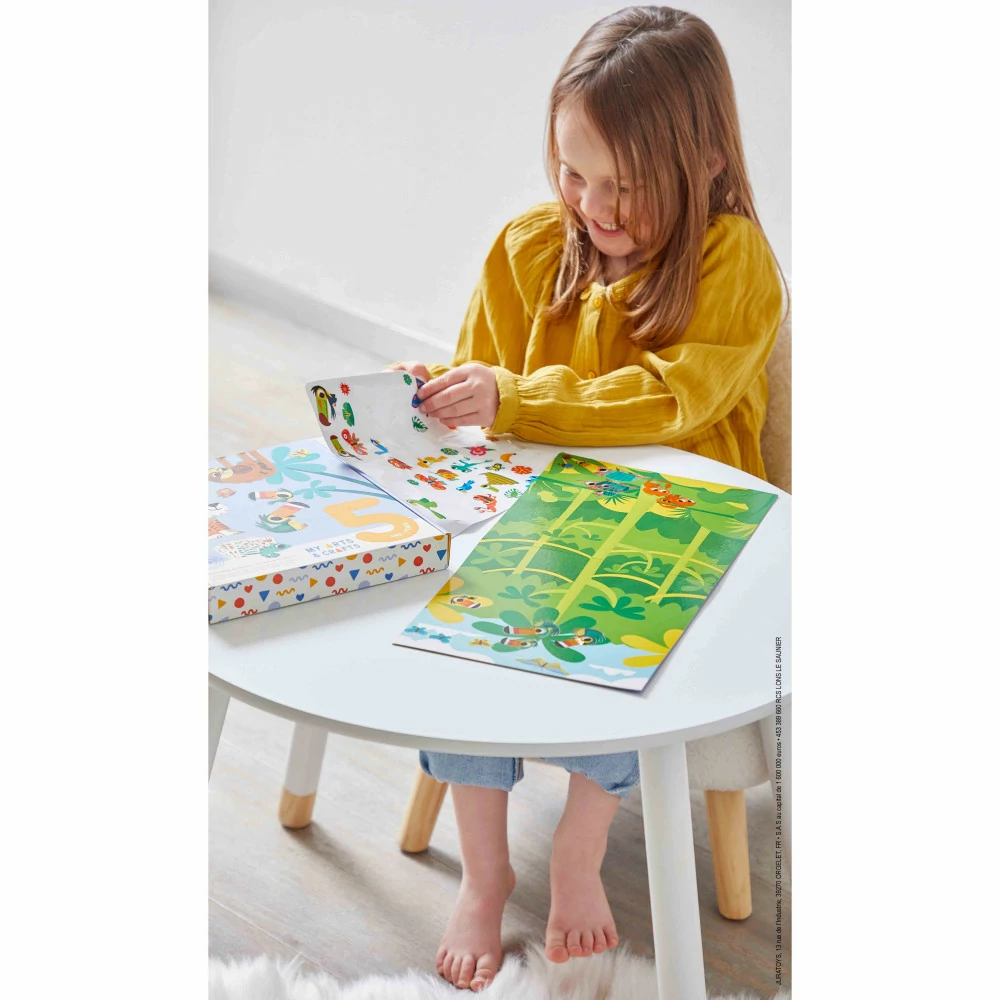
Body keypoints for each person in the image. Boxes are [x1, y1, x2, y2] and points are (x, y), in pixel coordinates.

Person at [388, 6, 785, 991]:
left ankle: (580, 845)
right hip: (539, 520)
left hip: (675, 530)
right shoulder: (528, 248)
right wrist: (432, 403)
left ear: (704, 161)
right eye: (573, 172)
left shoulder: (731, 263)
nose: (593, 207)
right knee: (457, 625)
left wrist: (515, 397)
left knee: (612, 627)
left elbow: (667, 401)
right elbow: (482, 393)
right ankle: (484, 870)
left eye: (624, 185)